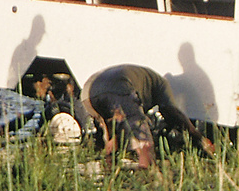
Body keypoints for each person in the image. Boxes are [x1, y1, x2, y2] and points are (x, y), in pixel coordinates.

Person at [80, 64, 216, 168]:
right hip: (118, 87)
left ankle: (109, 178)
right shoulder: (161, 84)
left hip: (88, 93)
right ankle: (147, 182)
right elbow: (172, 113)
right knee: (144, 143)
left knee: (112, 137)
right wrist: (197, 137)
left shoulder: (145, 78)